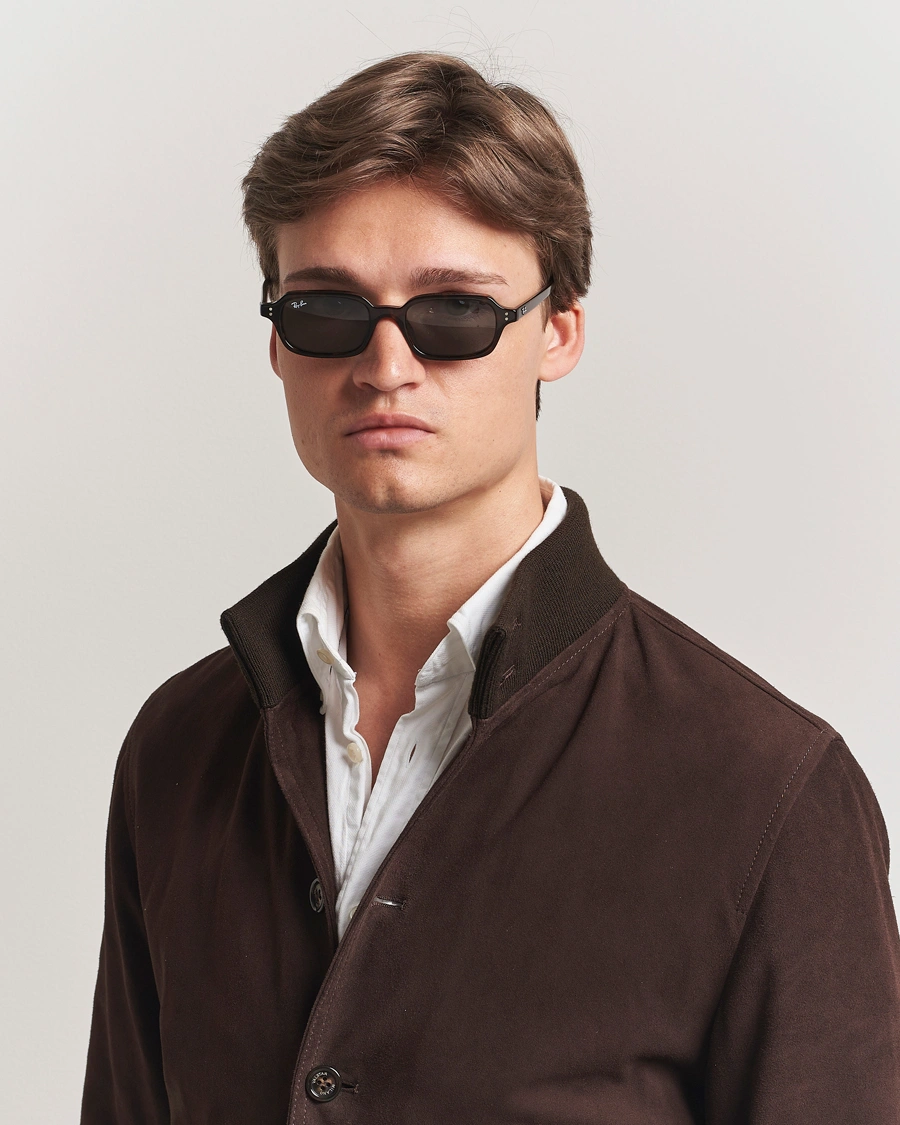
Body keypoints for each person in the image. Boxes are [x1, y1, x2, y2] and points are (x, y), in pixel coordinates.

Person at [80, 52, 900, 1124]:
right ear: (277, 342)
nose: (385, 365)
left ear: (558, 331)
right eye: (326, 309)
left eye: (455, 310)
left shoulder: (766, 789)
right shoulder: (179, 751)